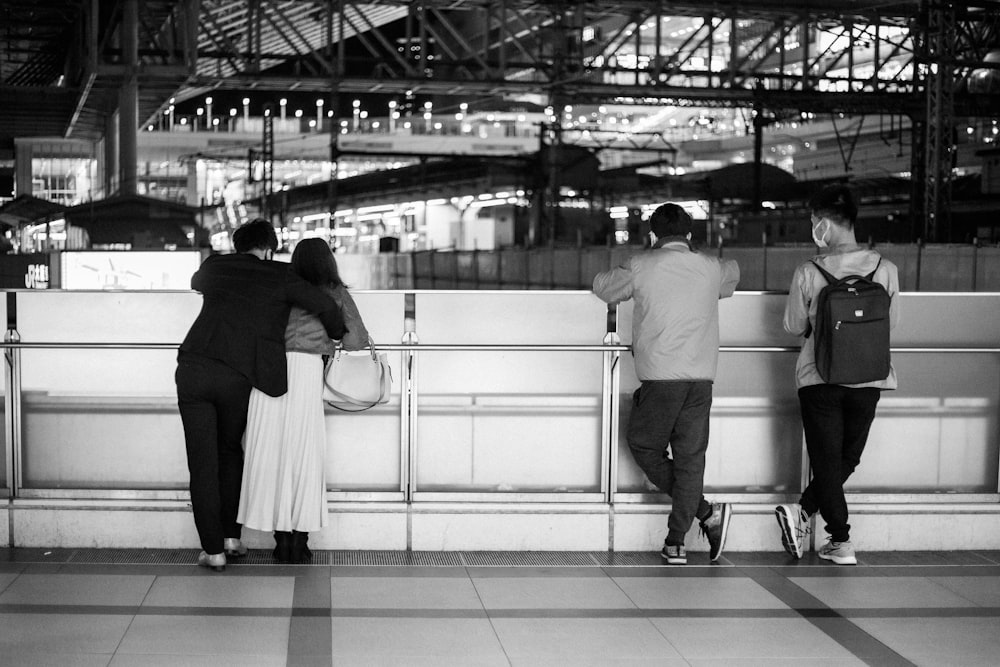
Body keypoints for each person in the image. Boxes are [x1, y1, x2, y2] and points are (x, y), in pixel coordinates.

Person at [176, 220, 346, 572]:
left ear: (238, 245)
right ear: (269, 249)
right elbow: (327, 307)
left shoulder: (215, 266)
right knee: (230, 451)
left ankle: (214, 551)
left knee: (202, 462)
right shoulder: (278, 275)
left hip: (195, 367)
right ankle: (231, 537)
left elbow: (196, 283)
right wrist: (336, 335)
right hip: (237, 376)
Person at [593, 203, 740, 564]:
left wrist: (632, 263)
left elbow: (603, 289)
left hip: (661, 378)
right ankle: (678, 539)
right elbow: (732, 276)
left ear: (653, 236)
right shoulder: (711, 268)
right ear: (690, 236)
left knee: (643, 446)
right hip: (702, 379)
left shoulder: (641, 265)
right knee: (690, 459)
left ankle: (705, 513)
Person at [775, 185, 899, 565]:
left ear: (825, 224)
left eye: (814, 221)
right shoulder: (886, 269)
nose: (813, 227)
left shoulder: (809, 271)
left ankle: (837, 536)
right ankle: (817, 522)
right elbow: (889, 326)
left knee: (827, 460)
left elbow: (793, 325)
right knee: (848, 458)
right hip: (870, 378)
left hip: (819, 379)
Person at [238, 238, 370, 563]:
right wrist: (331, 337)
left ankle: (279, 539)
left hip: (268, 371)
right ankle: (300, 541)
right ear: (328, 262)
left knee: (272, 453)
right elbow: (356, 340)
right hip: (307, 371)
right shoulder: (334, 292)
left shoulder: (279, 285)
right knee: (304, 454)